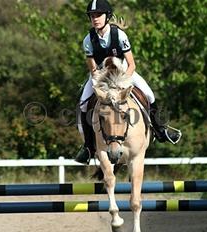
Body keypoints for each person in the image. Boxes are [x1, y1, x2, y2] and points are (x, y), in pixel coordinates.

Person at [75, 0, 181, 164]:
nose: (95, 18)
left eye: (98, 15)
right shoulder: (88, 40)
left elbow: (132, 64)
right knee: (83, 104)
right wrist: (99, 84)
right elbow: (93, 69)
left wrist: (122, 82)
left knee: (149, 94)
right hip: (100, 75)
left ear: (107, 16)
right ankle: (88, 147)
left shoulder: (120, 35)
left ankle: (161, 130)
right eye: (92, 16)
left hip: (123, 71)